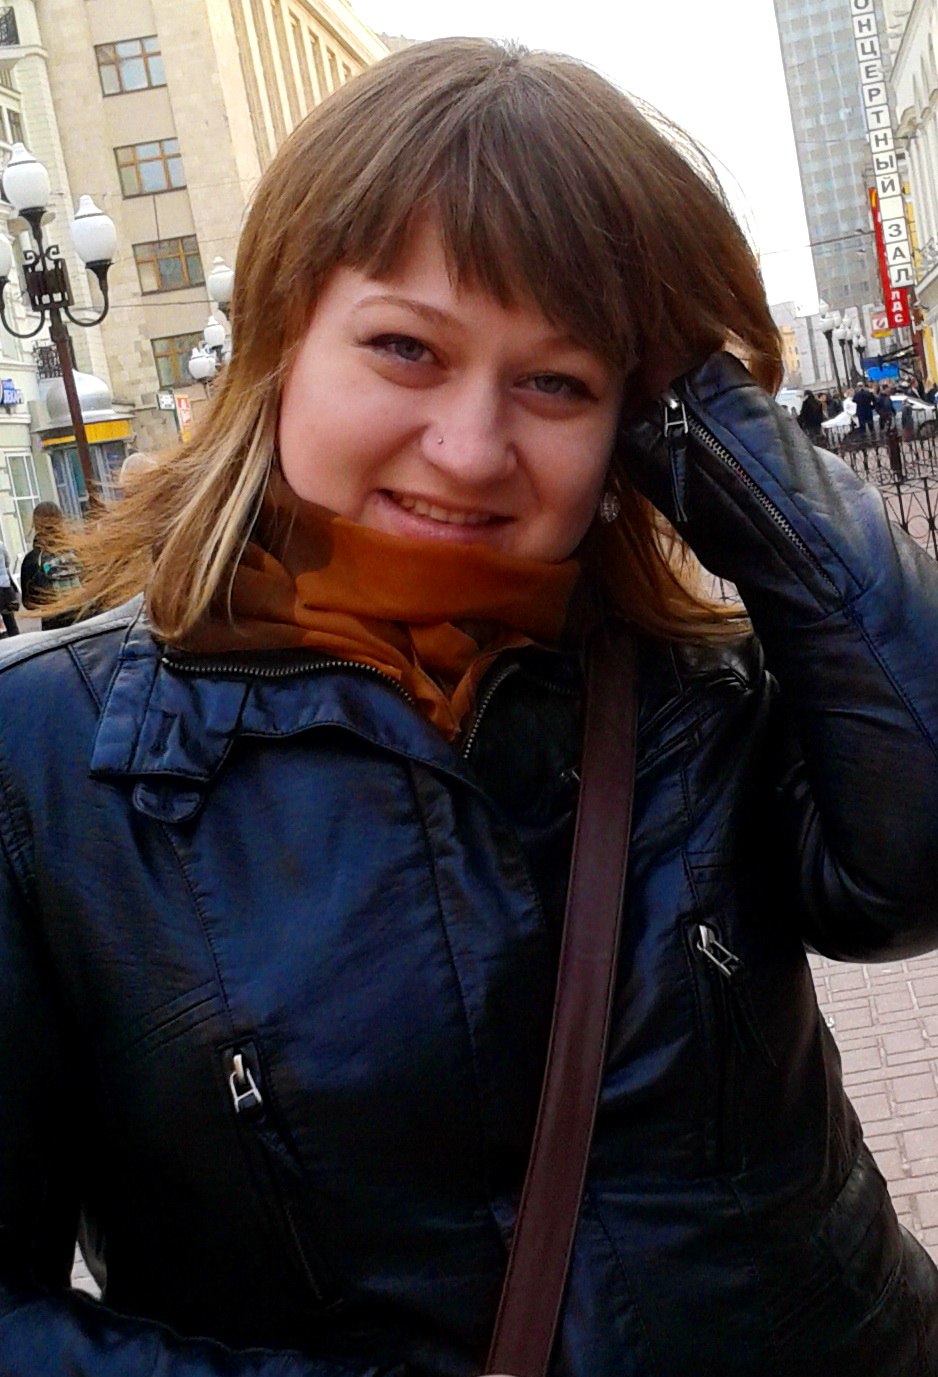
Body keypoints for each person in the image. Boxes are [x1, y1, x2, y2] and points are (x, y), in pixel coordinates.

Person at [1, 37, 937, 1377]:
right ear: (279, 342)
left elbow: (909, 872)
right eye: (404, 348)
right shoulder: (49, 762)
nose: (469, 447)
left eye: (557, 381)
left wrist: (712, 419)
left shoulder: (687, 689)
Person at [19, 500, 80, 630]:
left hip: (55, 625)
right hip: (84, 618)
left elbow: (29, 603)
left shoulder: (33, 559)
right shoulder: (76, 551)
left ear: (36, 524)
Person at [0, 536, 18, 636]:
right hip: (5, 586)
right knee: (10, 618)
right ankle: (16, 639)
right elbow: (7, 561)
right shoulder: (1, 544)